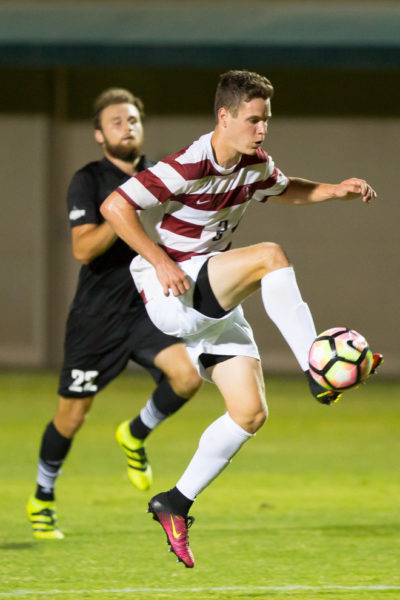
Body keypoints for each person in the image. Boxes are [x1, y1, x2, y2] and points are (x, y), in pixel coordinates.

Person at [100, 70, 383, 568]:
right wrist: (160, 259)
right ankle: (317, 367)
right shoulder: (187, 164)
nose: (261, 129)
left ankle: (176, 502)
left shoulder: (254, 164)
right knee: (270, 255)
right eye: (253, 120)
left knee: (249, 413)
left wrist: (335, 190)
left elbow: (283, 187)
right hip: (174, 290)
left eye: (266, 120)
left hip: (212, 297)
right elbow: (115, 205)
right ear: (224, 117)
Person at [26, 88, 202, 540]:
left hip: (146, 310)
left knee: (187, 378)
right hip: (96, 319)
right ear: (99, 135)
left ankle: (135, 433)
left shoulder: (161, 177)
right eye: (117, 122)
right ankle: (42, 498)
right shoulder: (88, 179)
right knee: (72, 417)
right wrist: (120, 207)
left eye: (133, 120)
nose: (128, 127)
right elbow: (83, 249)